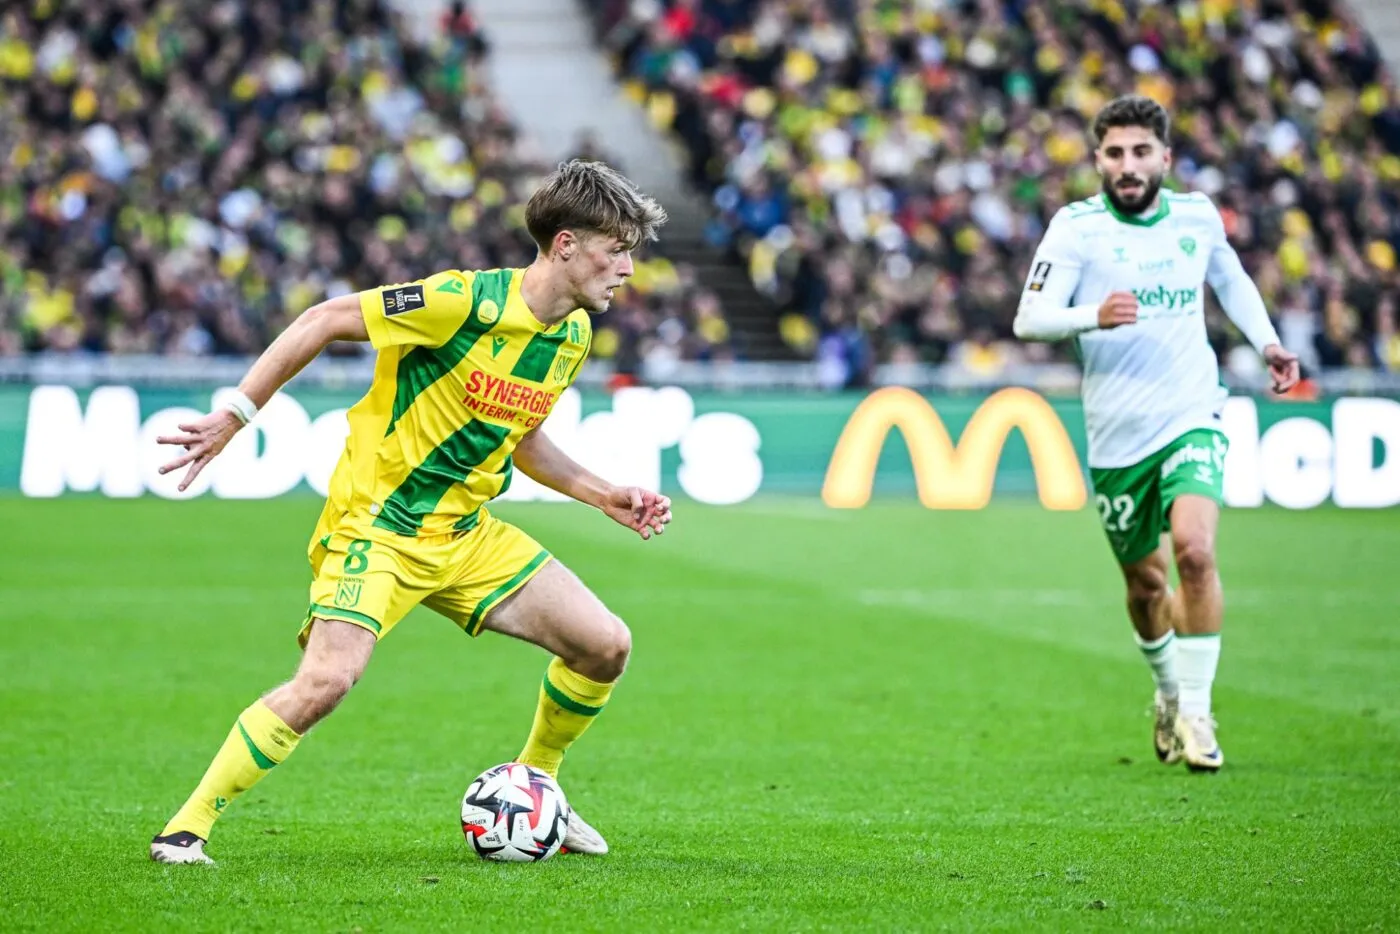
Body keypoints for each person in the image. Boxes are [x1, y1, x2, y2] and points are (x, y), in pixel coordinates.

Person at [149, 160, 673, 864]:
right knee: (327, 682)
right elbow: (323, 319)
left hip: (465, 535)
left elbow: (518, 435)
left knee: (605, 645)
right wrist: (235, 416)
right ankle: (186, 826)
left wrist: (599, 492)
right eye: (618, 251)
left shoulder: (571, 335)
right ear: (566, 245)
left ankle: (536, 784)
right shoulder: (462, 302)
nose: (629, 269)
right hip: (381, 528)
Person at [1013, 96, 1300, 772]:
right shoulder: (1075, 228)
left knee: (1195, 553)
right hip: (1117, 434)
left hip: (1191, 412)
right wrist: (1092, 315)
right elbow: (1029, 319)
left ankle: (1199, 714)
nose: (1128, 165)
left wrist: (1268, 343)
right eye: (1115, 153)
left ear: (1165, 158)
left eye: (1141, 152)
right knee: (1146, 586)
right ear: (1099, 162)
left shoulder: (1197, 216)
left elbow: (1229, 278)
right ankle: (1169, 691)